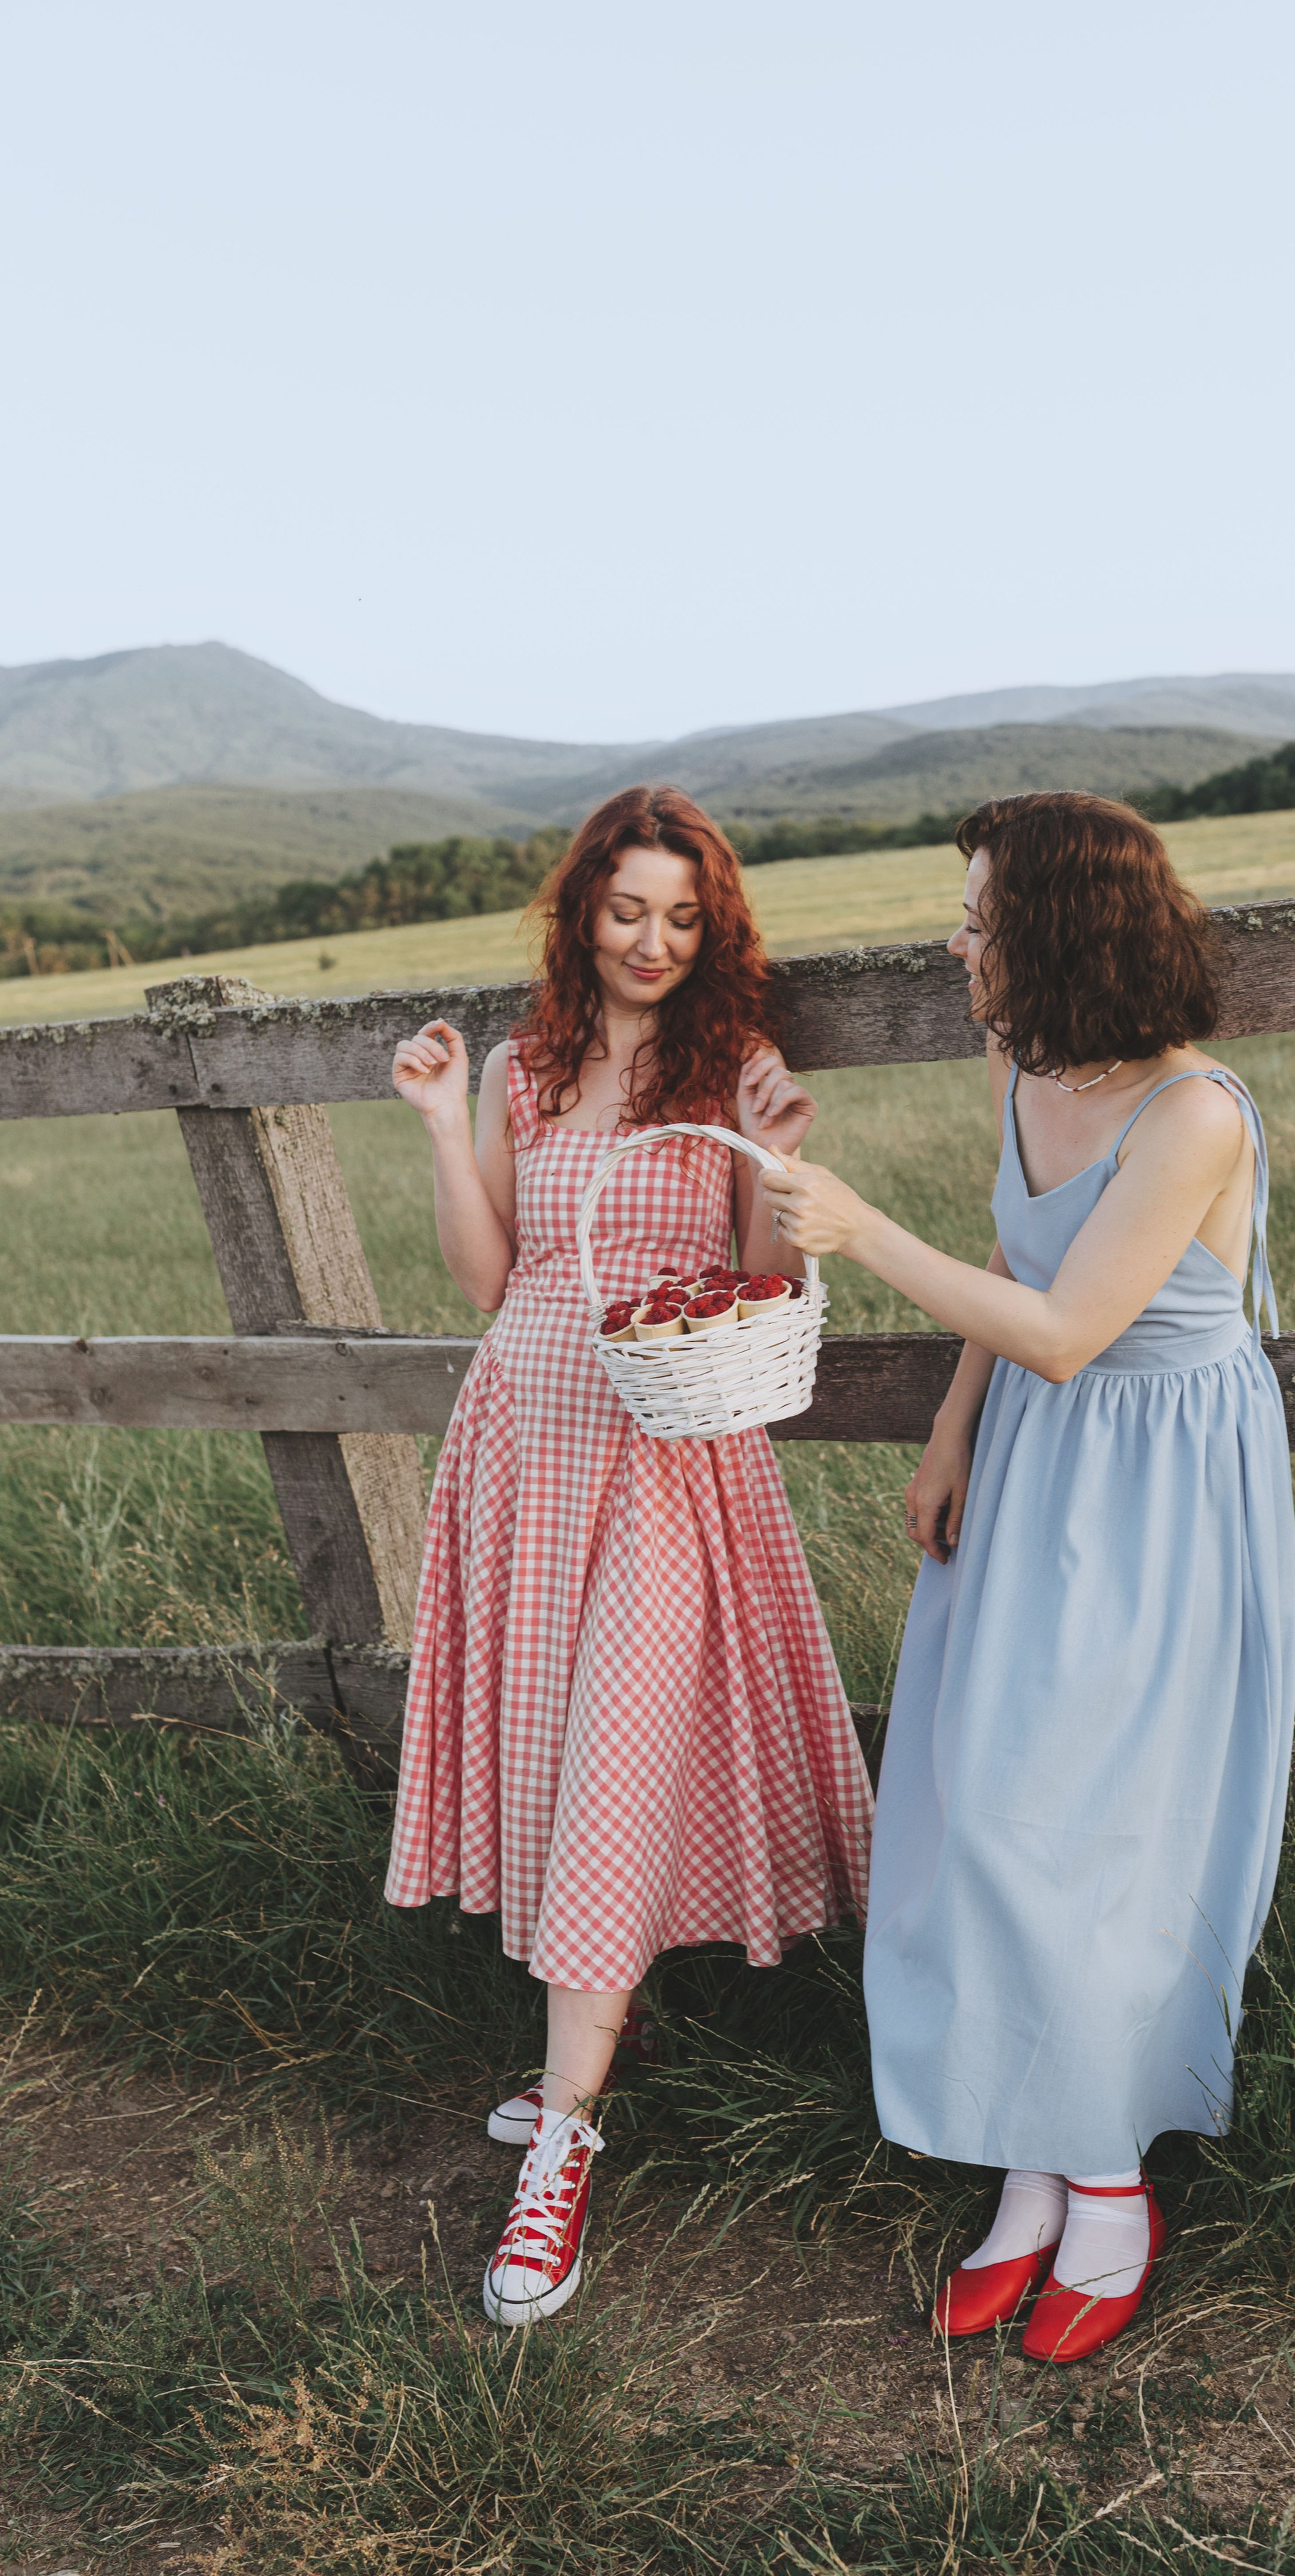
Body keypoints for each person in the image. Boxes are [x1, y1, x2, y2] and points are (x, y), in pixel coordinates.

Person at [762, 791, 1295, 2366]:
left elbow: (1074, 1331)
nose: (957, 938)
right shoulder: (1022, 1063)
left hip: (1155, 1485)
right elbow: (1013, 1272)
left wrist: (857, 1229)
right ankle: (1026, 2159)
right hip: (1031, 1458)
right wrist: (947, 1434)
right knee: (979, 1800)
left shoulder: (1195, 1115)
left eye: (981, 915)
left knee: (1095, 1821)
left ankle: (1109, 2181)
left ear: (1059, 929)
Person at [385, 784, 874, 2328]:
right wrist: (437, 1122)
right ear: (580, 911)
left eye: (680, 916)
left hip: (664, 1452)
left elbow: (760, 1278)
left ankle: (568, 2137)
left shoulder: (730, 1070)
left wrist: (788, 1177)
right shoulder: (528, 1066)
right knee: (553, 1757)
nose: (651, 942)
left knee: (616, 1763)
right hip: (521, 1442)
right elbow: (488, 1276)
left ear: (707, 926)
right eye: (625, 910)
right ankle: (598, 2045)